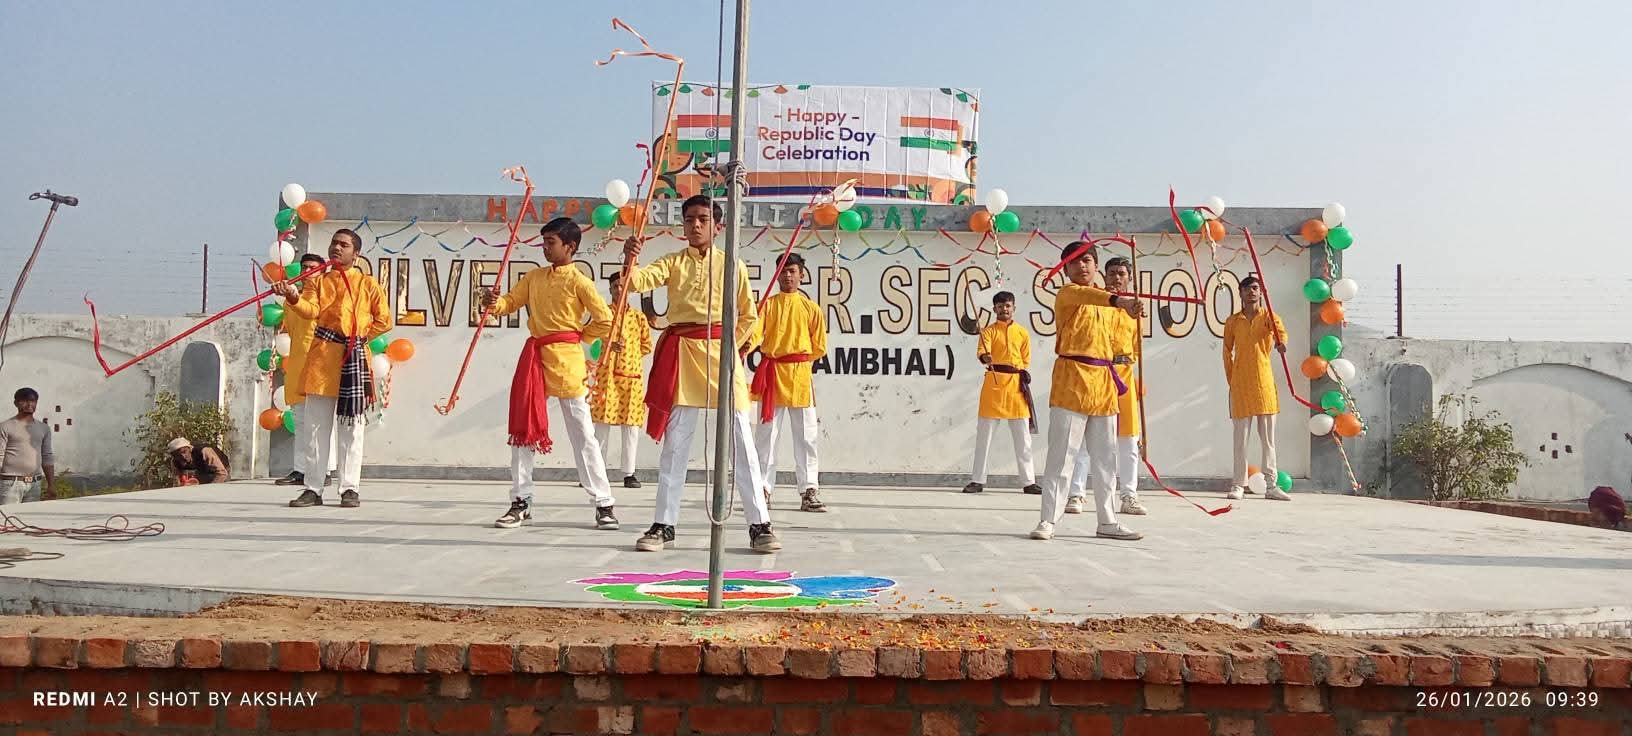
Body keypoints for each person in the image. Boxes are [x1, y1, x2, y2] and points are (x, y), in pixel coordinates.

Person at [620, 194, 779, 553]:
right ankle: (664, 524)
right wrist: (630, 259)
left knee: (742, 442)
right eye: (690, 219)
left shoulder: (732, 264)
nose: (695, 225)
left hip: (723, 356)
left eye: (703, 219)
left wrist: (734, 348)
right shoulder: (673, 261)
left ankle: (760, 524)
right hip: (685, 354)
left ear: (718, 226)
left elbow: (749, 316)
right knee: (676, 445)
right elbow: (638, 282)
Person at [482, 218, 619, 531]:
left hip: (568, 362)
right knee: (524, 430)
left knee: (583, 434)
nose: (545, 248)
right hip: (535, 360)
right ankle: (521, 500)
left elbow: (605, 320)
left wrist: (579, 337)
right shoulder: (533, 277)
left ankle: (604, 503)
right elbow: (508, 303)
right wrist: (493, 302)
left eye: (551, 242)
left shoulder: (580, 281)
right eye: (543, 242)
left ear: (570, 246)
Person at [1032, 242, 1147, 542]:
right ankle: (1048, 520)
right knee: (1062, 456)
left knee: (1106, 458)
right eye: (1074, 262)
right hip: (1071, 379)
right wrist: (1121, 302)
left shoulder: (1110, 304)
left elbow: (1123, 339)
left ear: (1096, 266)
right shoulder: (1069, 293)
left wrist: (1132, 310)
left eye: (1086, 260)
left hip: (1104, 383)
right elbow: (1093, 296)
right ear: (1066, 269)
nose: (1081, 266)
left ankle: (1107, 521)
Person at [271, 228, 392, 508]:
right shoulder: (318, 282)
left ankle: (349, 488)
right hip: (322, 359)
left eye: (343, 245)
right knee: (315, 428)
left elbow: (384, 320)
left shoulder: (368, 284)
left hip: (353, 359)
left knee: (352, 428)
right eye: (334, 243)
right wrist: (292, 296)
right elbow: (310, 310)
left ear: (356, 254)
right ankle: (313, 488)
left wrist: (358, 338)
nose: (336, 248)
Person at [1066, 257, 1145, 515]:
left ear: (1129, 278)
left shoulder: (1134, 311)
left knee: (1129, 439)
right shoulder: (1096, 301)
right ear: (1104, 275)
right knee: (1087, 438)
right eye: (1112, 273)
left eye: (1122, 273)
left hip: (1125, 375)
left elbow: (1136, 347)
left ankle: (1129, 495)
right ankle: (1076, 493)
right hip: (1099, 373)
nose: (1116, 278)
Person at [752, 252, 828, 512]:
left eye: (792, 271)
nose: (787, 275)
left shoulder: (811, 308)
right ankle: (763, 489)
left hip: (800, 376)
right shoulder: (766, 306)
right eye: (783, 271)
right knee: (766, 436)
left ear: (801, 275)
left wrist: (796, 360)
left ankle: (809, 490)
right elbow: (754, 336)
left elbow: (819, 346)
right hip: (772, 376)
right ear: (776, 275)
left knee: (807, 436)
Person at [963, 291, 1040, 495]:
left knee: (1023, 438)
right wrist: (986, 358)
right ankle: (977, 480)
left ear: (1013, 307)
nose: (1004, 309)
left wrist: (1018, 370)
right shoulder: (988, 332)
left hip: (1016, 387)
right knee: (984, 436)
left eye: (1007, 306)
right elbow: (982, 351)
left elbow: (1025, 359)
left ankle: (1029, 482)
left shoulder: (1022, 332)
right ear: (994, 309)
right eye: (1000, 306)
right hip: (994, 383)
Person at [1223, 275, 1291, 501]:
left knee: (1268, 440)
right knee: (1240, 440)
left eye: (1255, 288)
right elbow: (1226, 351)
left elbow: (1281, 333)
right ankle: (1238, 485)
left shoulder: (1269, 316)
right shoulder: (1233, 321)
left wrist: (1281, 343)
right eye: (1246, 288)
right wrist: (1232, 379)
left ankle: (1271, 485)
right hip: (1241, 384)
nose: (1251, 292)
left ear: (1261, 292)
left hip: (1263, 383)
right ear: (1240, 293)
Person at [274, 253, 335, 488]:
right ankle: (301, 469)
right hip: (298, 366)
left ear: (323, 272)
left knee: (322, 423)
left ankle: (325, 470)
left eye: (313, 268)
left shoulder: (327, 299)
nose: (308, 272)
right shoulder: (292, 301)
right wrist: (291, 296)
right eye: (304, 268)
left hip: (320, 368)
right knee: (300, 421)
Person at [590, 270, 653, 491]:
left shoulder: (638, 317)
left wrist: (629, 357)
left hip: (631, 378)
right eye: (615, 286)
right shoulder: (602, 315)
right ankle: (596, 471)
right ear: (610, 289)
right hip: (606, 377)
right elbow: (591, 344)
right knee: (601, 424)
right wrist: (607, 347)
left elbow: (646, 345)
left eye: (623, 286)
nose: (619, 289)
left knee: (631, 426)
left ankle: (629, 473)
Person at [0, 388, 54, 503]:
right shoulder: (5, 426)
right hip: (10, 484)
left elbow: (47, 456)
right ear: (16, 403)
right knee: (8, 514)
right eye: (24, 401)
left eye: (33, 401)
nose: (29, 404)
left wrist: (51, 485)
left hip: (35, 484)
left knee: (29, 514)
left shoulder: (44, 428)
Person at [167, 437, 231, 485]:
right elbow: (177, 482)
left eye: (184, 451)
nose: (183, 456)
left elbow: (222, 473)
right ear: (174, 456)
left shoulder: (205, 451)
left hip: (222, 468)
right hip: (203, 470)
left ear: (190, 449)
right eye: (178, 455)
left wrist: (211, 489)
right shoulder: (175, 462)